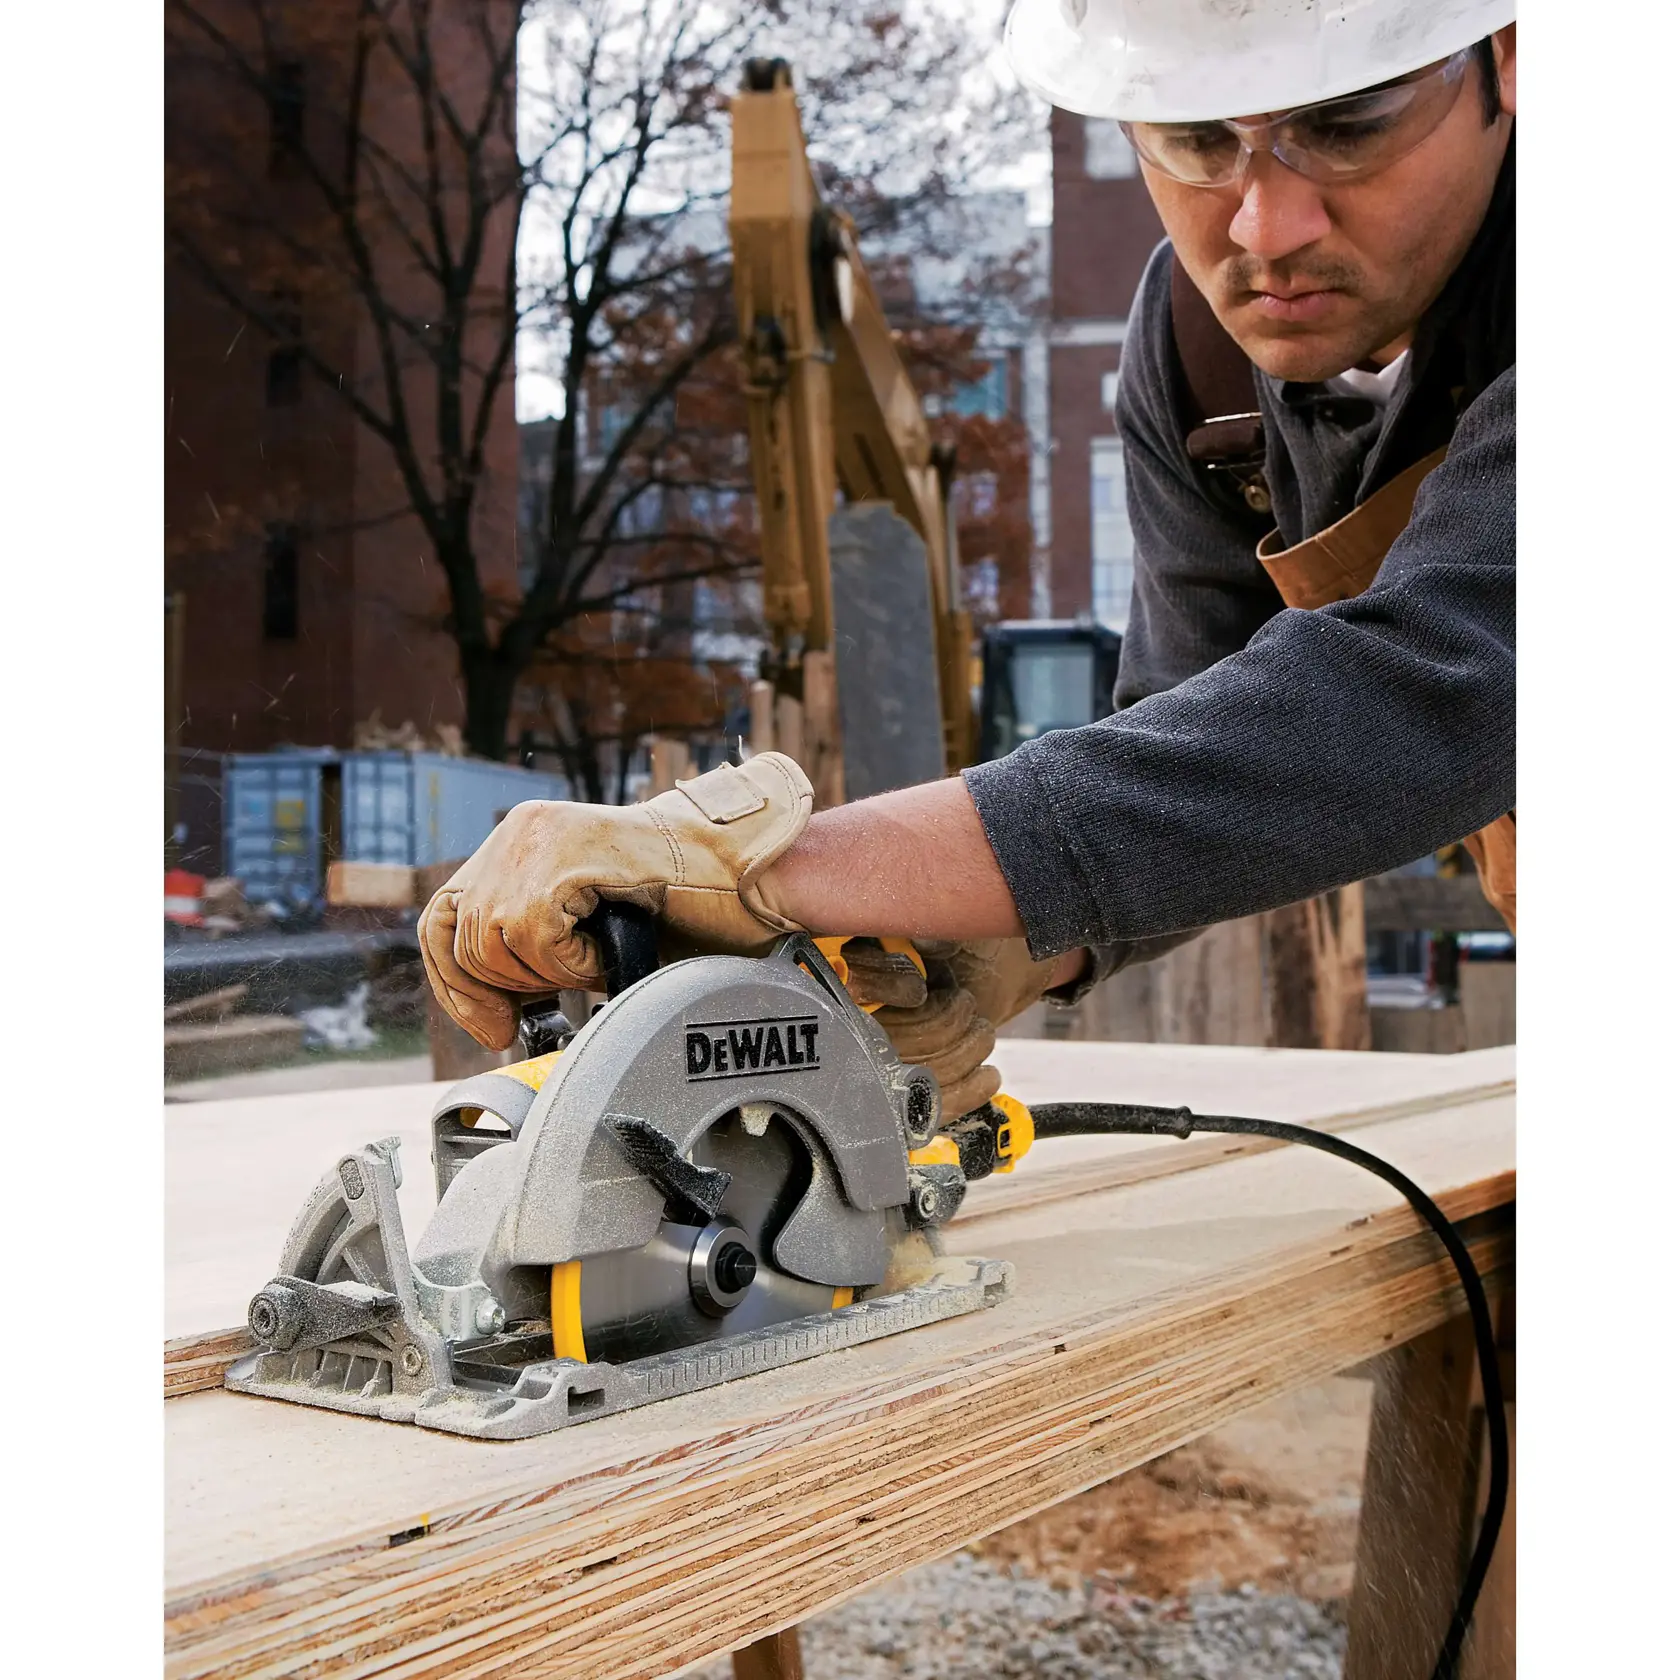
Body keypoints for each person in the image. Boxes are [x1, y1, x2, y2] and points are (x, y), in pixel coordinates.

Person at [417, 1, 1516, 1119]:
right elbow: (1200, 727)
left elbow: (1448, 689)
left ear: (1512, 59)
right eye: (1195, 141)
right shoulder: (1201, 360)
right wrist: (1010, 944)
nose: (1265, 227)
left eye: (1347, 128)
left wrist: (763, 867)